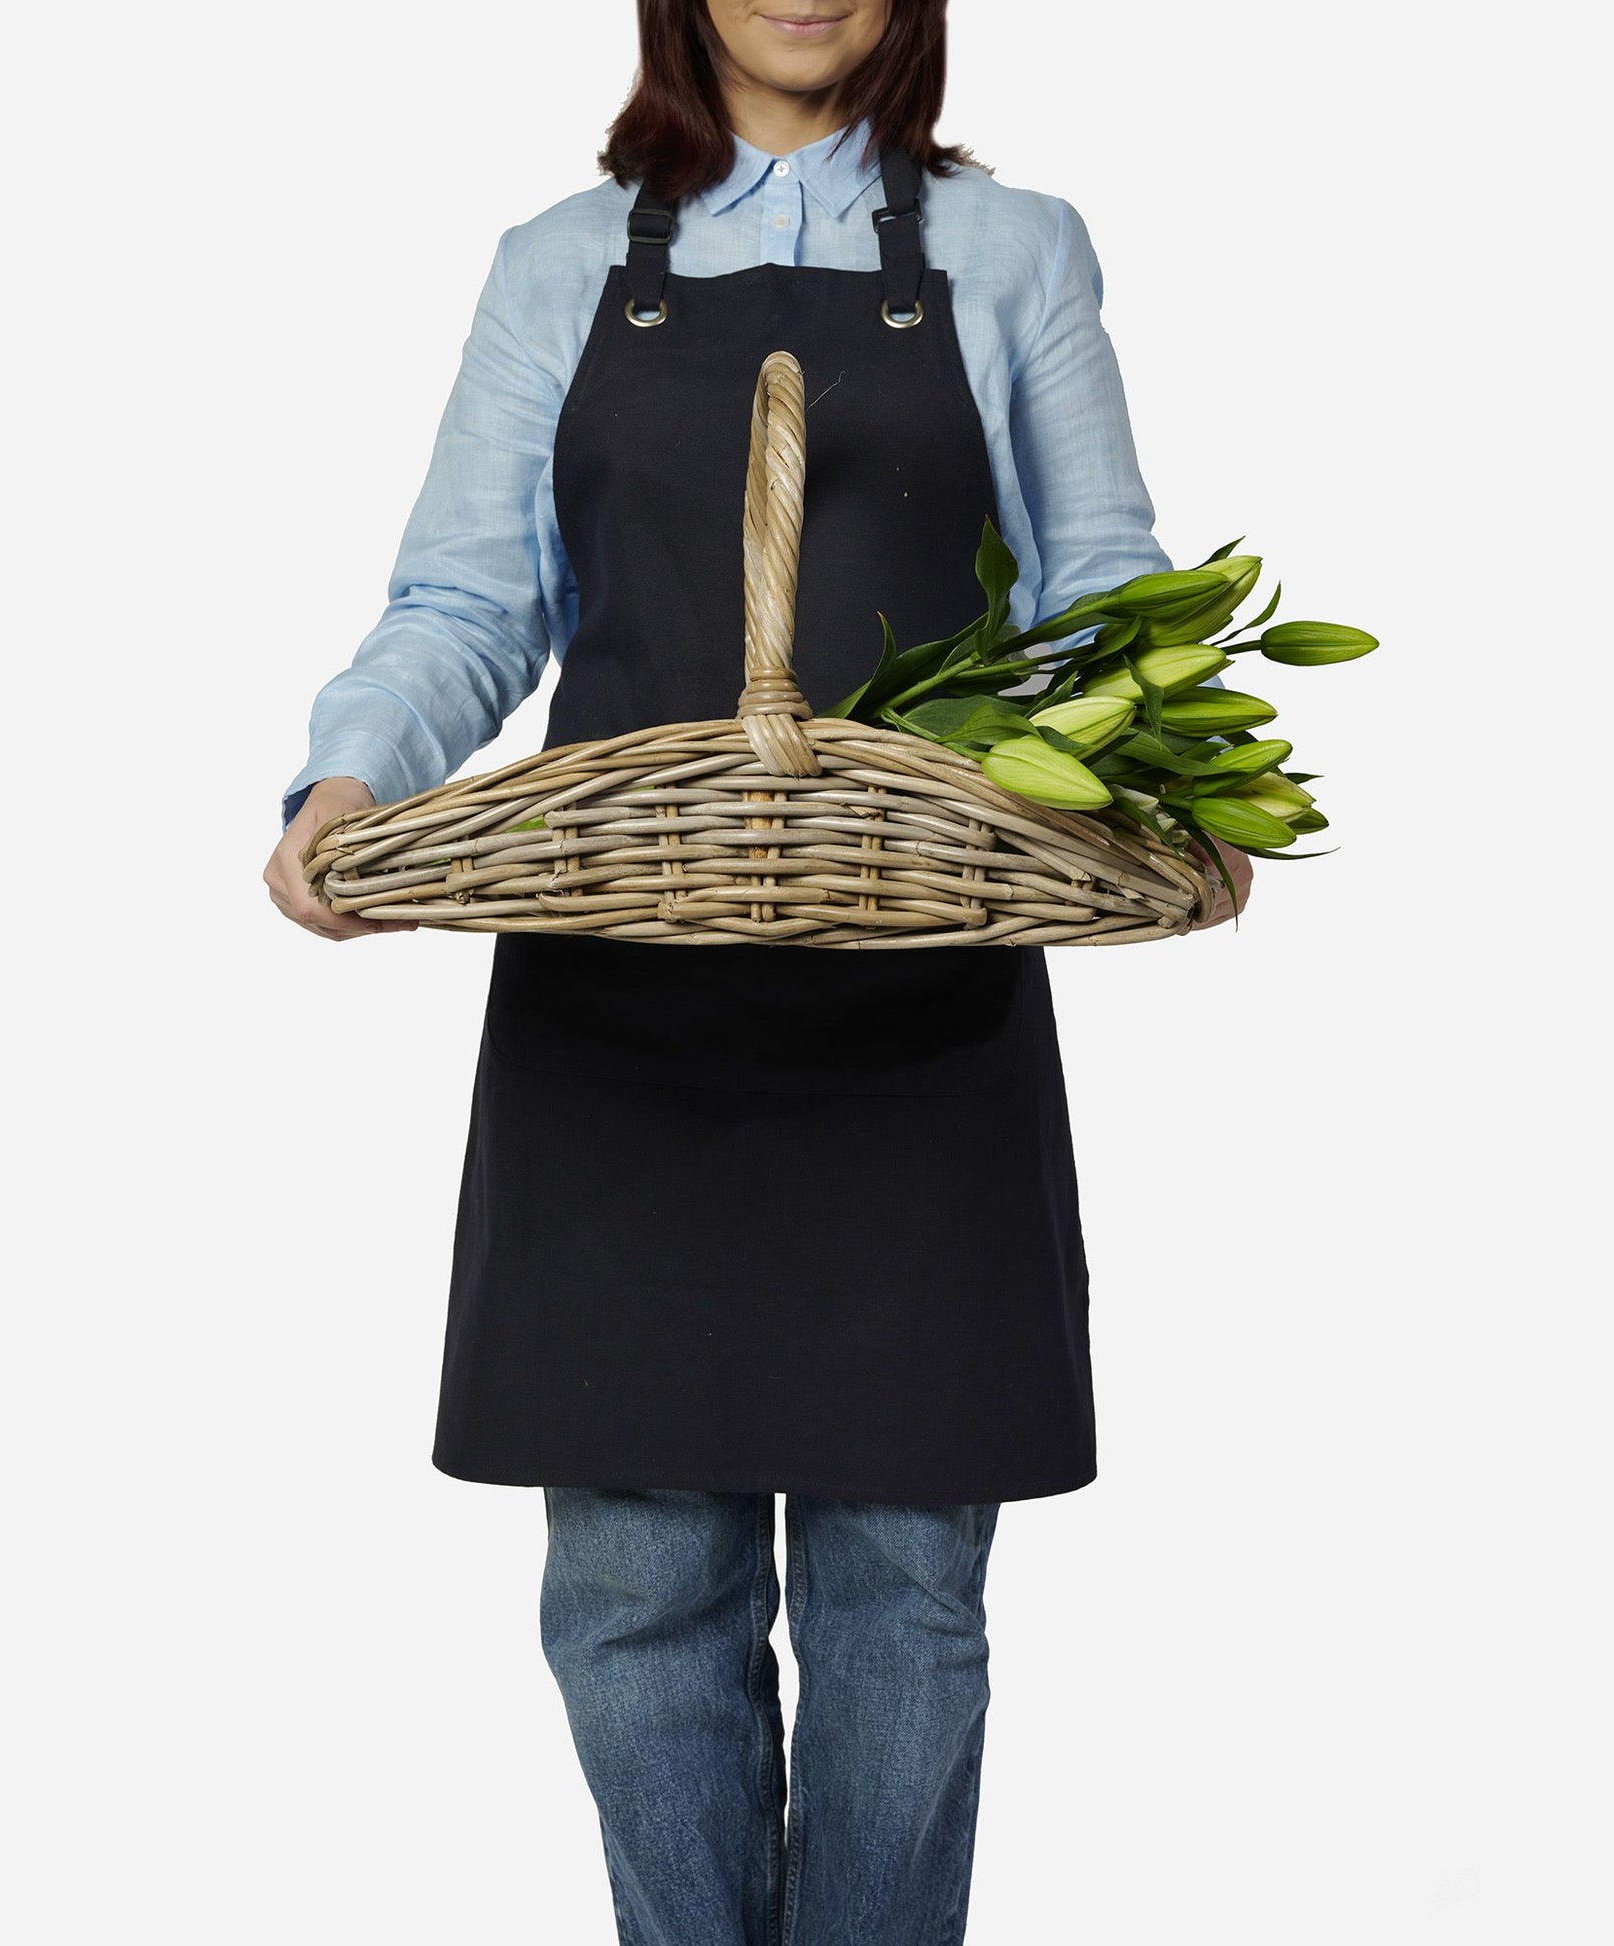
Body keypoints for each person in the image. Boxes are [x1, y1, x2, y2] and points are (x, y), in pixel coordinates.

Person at [264, 2, 1249, 1938]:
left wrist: (1173, 780)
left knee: (905, 1588)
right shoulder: (558, 263)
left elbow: (1096, 583)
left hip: (920, 993)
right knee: (633, 1589)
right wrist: (350, 781)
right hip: (620, 996)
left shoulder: (1012, 249)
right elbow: (469, 599)